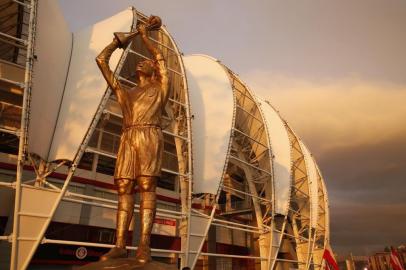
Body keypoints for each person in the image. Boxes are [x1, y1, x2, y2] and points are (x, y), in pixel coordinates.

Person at [95, 16, 169, 264]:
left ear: (153, 70)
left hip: (149, 134)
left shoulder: (160, 88)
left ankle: (144, 245)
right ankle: (119, 245)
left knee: (147, 185)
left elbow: (160, 59)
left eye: (145, 62)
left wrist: (145, 37)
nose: (141, 62)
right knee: (124, 187)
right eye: (139, 61)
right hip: (129, 136)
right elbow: (101, 61)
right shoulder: (125, 93)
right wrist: (117, 42)